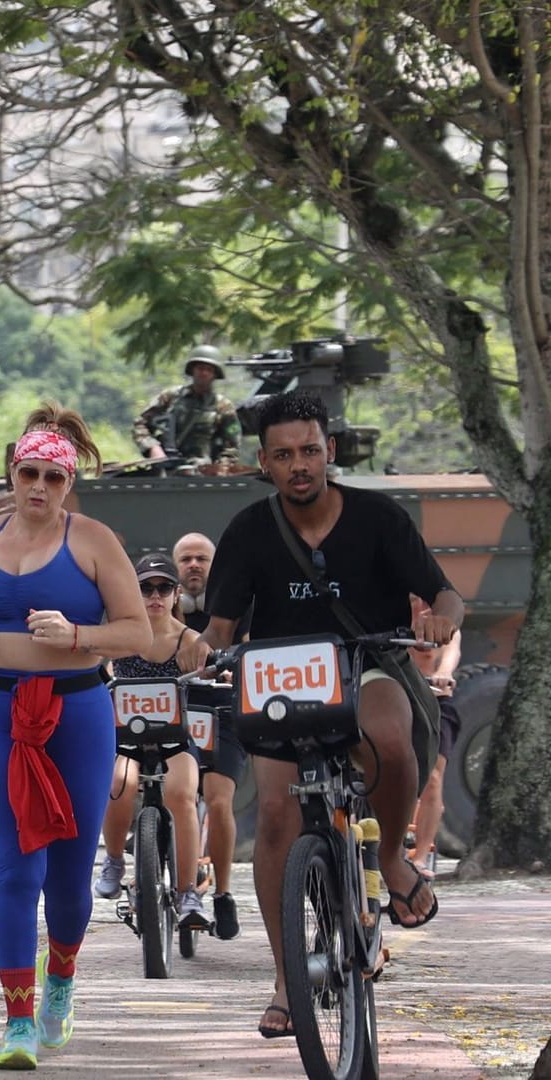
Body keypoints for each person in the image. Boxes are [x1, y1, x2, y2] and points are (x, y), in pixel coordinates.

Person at [179, 389, 461, 1041]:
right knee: (276, 814)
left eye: (310, 450)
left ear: (328, 451)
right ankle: (286, 978)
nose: (299, 464)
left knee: (390, 733)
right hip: (282, 673)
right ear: (265, 461)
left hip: (369, 660)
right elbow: (219, 627)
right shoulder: (249, 530)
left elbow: (442, 588)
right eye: (284, 455)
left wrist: (445, 618)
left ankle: (391, 859)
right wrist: (203, 652)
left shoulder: (379, 517)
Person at [0, 404, 151, 1069]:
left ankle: (60, 978)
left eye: (52, 478)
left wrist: (80, 637)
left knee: (66, 875)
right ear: (11, 471)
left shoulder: (93, 540)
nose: (37, 487)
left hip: (77, 713)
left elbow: (138, 633)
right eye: (27, 473)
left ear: (69, 482)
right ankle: (17, 1023)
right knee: (16, 869)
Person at [93, 554, 207, 932]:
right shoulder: (120, 635)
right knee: (118, 783)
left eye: (163, 588)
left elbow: (209, 682)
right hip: (128, 739)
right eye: (145, 588)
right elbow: (94, 666)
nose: (154, 596)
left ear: (176, 594)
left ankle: (188, 890)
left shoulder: (191, 641)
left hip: (176, 738)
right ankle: (113, 859)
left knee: (182, 792)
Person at [170, 532, 244, 938]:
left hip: (221, 710)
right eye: (186, 559)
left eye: (201, 558)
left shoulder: (234, 605)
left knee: (218, 801)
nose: (194, 565)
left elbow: (250, 648)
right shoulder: (162, 604)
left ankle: (224, 894)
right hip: (175, 710)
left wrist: (238, 669)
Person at [407, 593, 463, 879]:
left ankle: (419, 856)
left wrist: (442, 673)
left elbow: (450, 655)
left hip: (436, 702)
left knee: (433, 778)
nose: (423, 606)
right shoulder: (394, 620)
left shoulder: (445, 628)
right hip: (400, 702)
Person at [132, 346, 242, 467]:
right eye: (200, 368)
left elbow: (232, 447)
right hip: (165, 467)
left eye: (209, 369)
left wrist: (220, 469)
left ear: (215, 374)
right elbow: (140, 424)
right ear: (192, 370)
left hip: (203, 473)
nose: (204, 373)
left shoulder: (223, 406)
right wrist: (153, 448)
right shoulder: (171, 397)